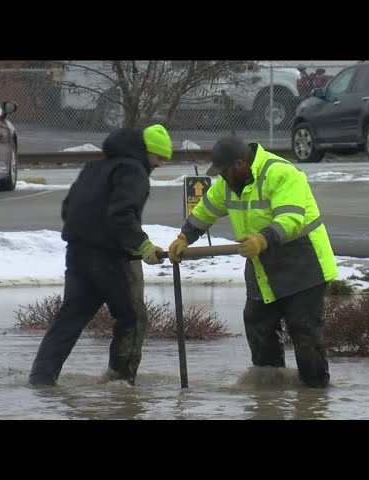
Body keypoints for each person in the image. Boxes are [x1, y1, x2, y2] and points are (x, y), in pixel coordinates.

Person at [168, 136, 337, 388]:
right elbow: (206, 210)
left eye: (224, 172)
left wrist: (260, 239)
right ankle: (269, 393)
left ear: (239, 164)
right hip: (262, 266)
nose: (222, 178)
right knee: (258, 325)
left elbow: (290, 219)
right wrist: (185, 236)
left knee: (304, 332)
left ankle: (314, 393)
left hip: (303, 263)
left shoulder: (281, 173)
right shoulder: (227, 184)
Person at [29, 124, 173, 387]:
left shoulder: (93, 168)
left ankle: (40, 380)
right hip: (108, 258)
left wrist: (89, 235)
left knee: (69, 319)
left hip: (76, 254)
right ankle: (121, 383)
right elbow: (122, 214)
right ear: (144, 151)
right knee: (132, 317)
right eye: (159, 157)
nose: (161, 164)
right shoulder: (135, 171)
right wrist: (142, 245)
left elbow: (68, 208)